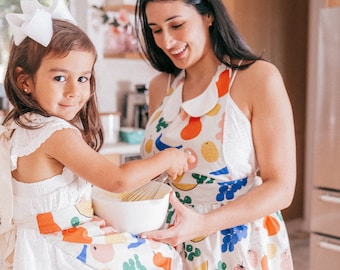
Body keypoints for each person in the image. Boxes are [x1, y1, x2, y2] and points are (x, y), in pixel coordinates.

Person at [0, 0, 194, 269]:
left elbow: (45, 205)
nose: (74, 91)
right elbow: (116, 180)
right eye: (59, 78)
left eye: (82, 78)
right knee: (161, 257)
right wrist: (169, 158)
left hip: (35, 244)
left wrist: (81, 216)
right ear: (25, 82)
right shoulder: (55, 133)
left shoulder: (19, 125)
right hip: (56, 250)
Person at [135, 0, 297, 269]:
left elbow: (281, 188)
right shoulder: (161, 87)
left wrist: (202, 225)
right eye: (156, 30)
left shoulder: (258, 78)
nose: (167, 41)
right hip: (172, 242)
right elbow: (157, 176)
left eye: (177, 25)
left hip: (237, 245)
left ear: (208, 15)